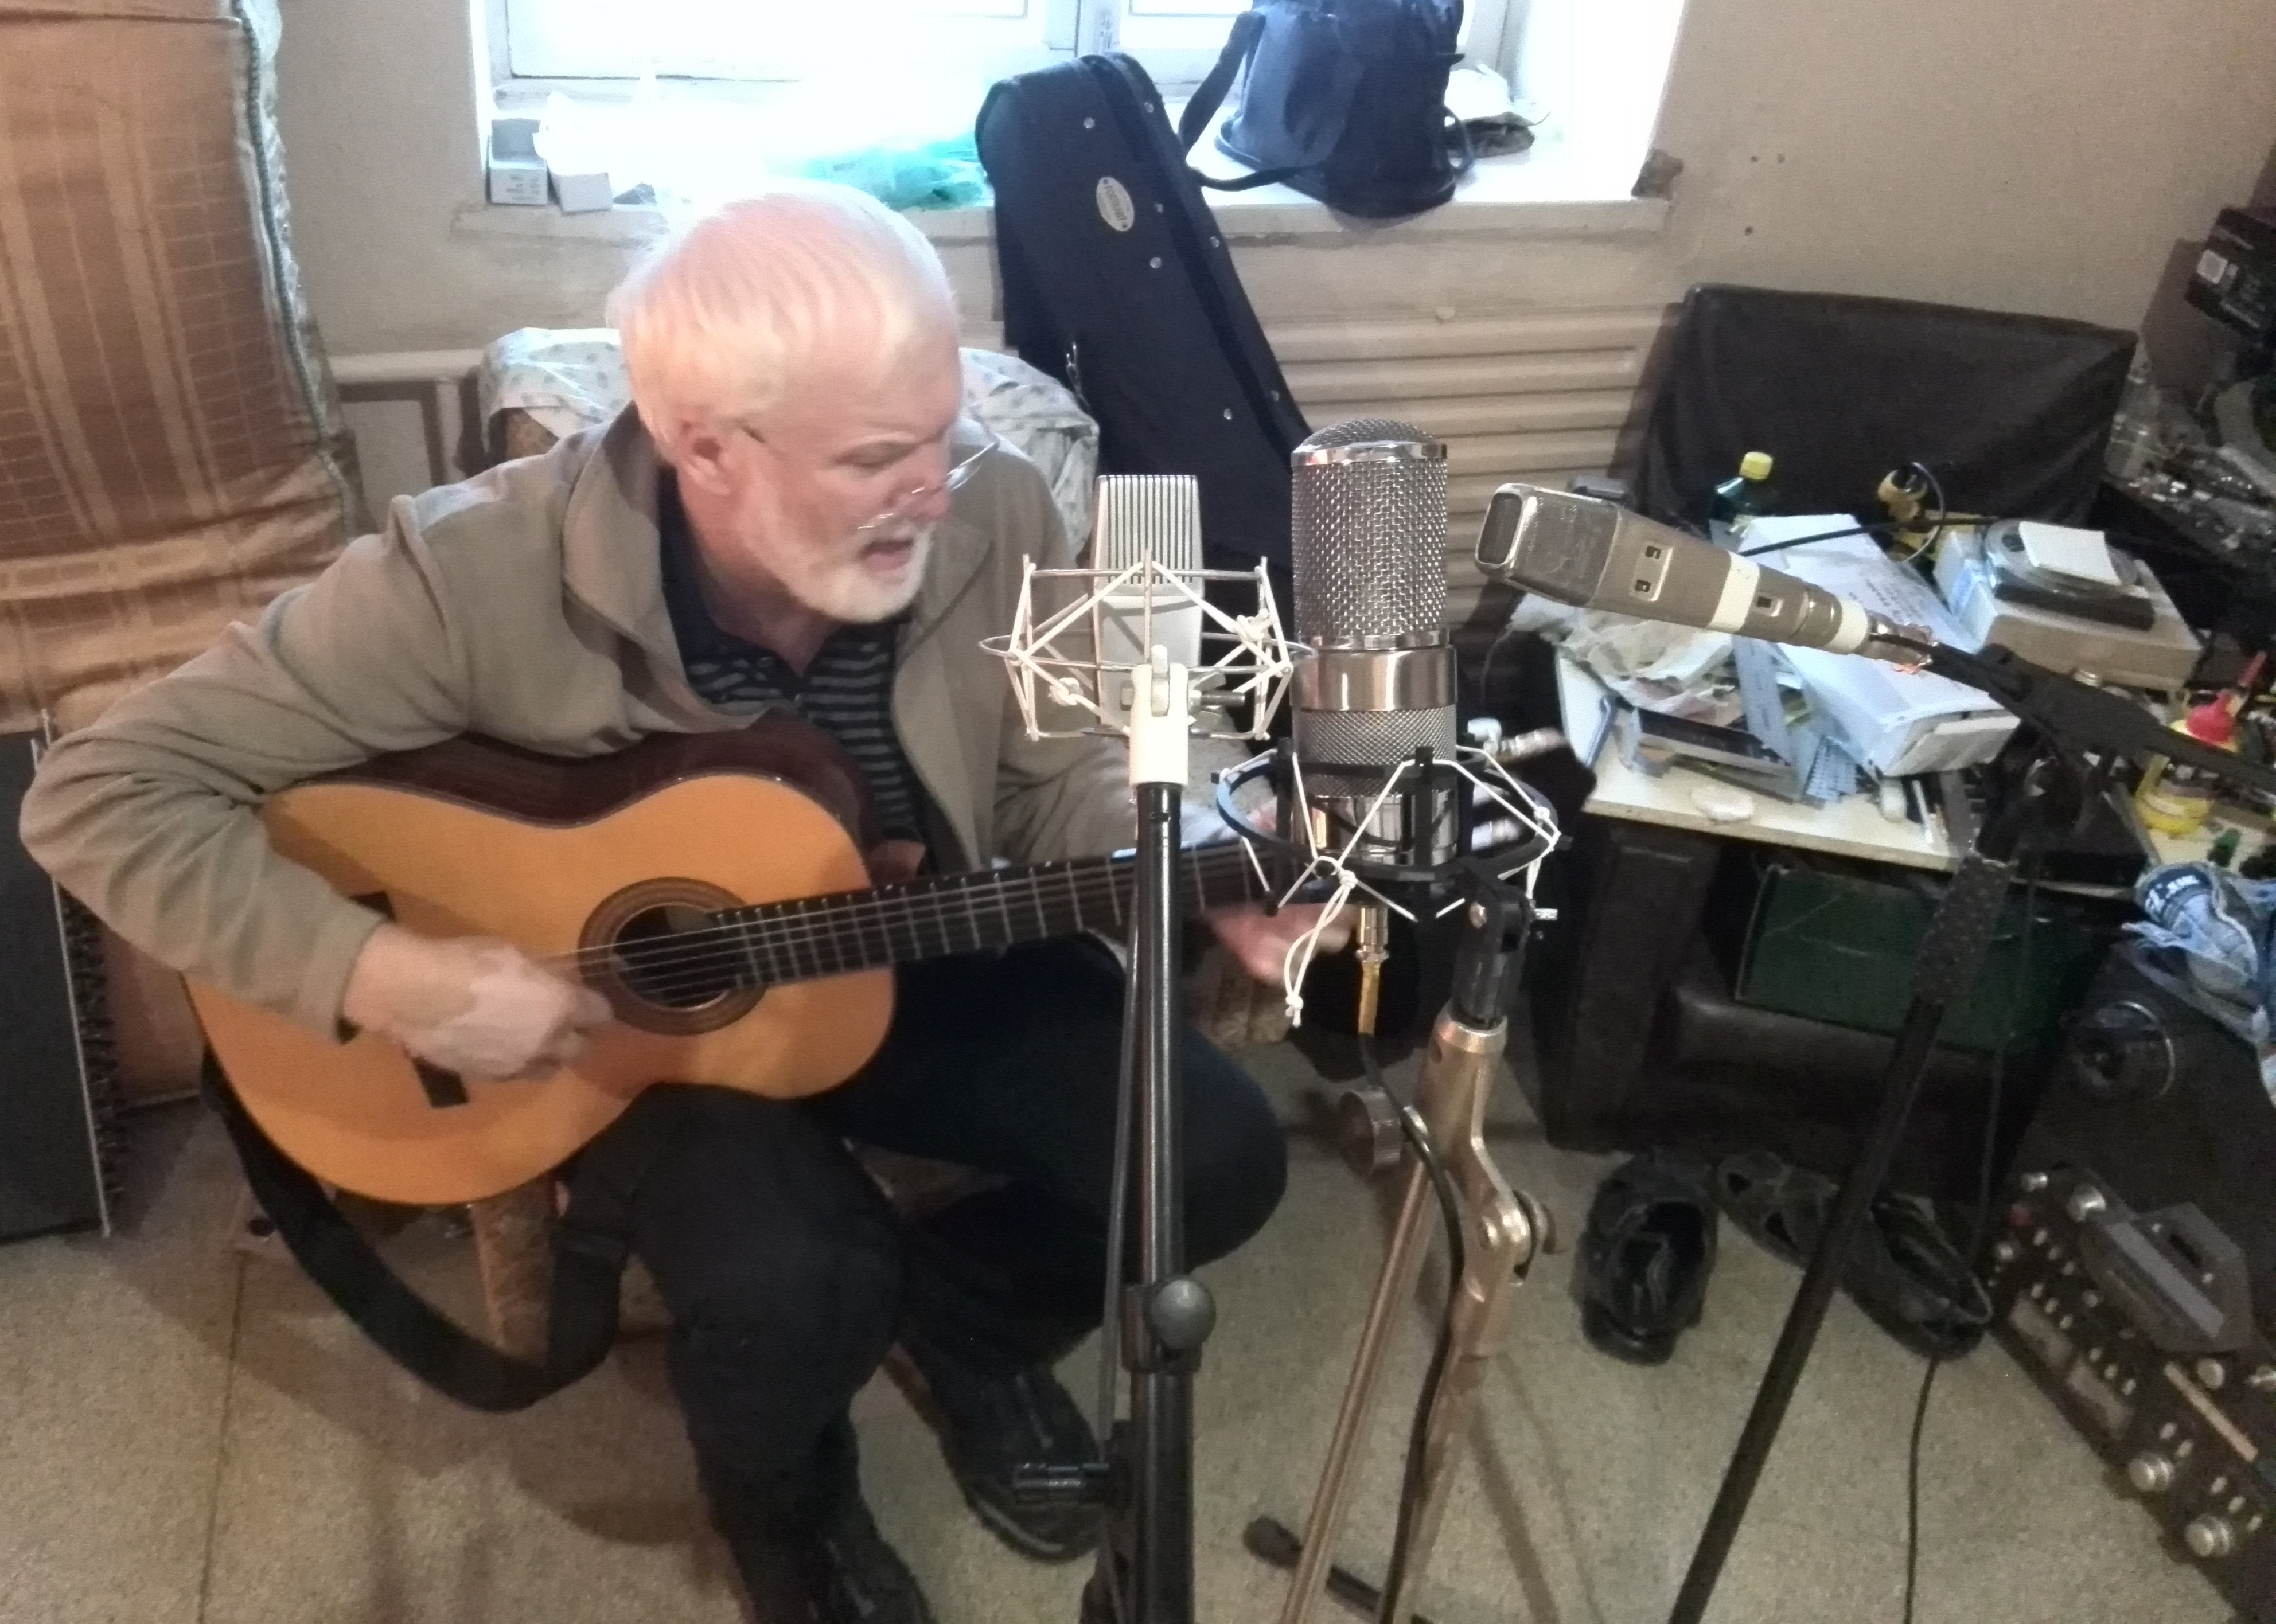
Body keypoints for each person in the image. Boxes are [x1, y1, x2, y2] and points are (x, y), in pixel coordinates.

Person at [20, 184, 1339, 1624]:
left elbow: (1059, 771)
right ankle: (784, 1509)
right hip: (610, 1022)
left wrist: (1200, 849)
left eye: (941, 429)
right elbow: (96, 795)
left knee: (1215, 1159)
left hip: (900, 940)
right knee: (798, 1281)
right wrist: (393, 978)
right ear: (704, 445)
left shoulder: (997, 507)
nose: (936, 488)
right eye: (878, 457)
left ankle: (969, 1325)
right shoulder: (466, 575)